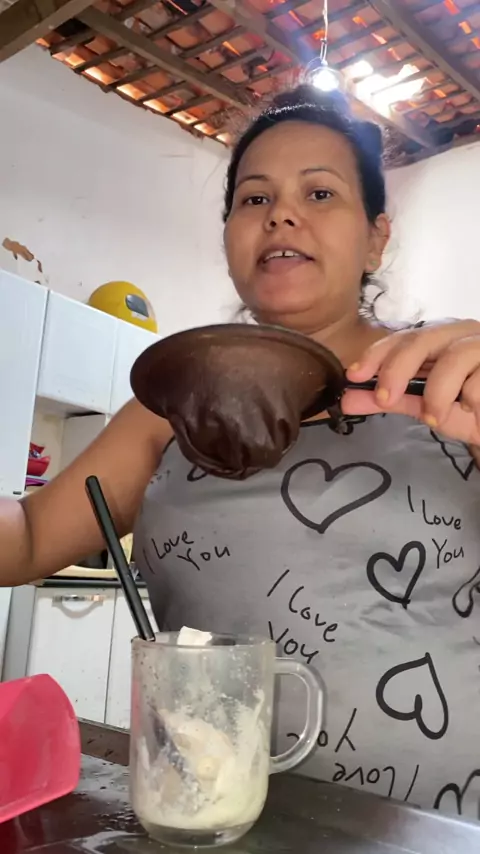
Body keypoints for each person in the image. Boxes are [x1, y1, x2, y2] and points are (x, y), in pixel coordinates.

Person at [2, 85, 480, 816]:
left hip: (436, 830)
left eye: (319, 193)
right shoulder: (167, 406)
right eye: (254, 198)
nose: (281, 213)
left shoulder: (454, 378)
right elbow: (31, 536)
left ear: (375, 238)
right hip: (209, 820)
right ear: (228, 238)